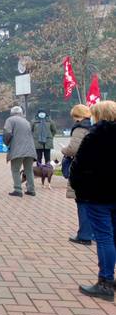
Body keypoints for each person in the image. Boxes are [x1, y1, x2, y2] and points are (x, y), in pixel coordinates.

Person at [70, 101, 116, 301]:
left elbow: (78, 168)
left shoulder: (94, 137)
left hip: (97, 196)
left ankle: (105, 282)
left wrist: (80, 189)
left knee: (105, 238)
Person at [61, 104, 93, 245]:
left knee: (83, 202)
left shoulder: (80, 128)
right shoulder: (94, 125)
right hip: (96, 170)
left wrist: (64, 151)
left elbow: (74, 149)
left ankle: (84, 234)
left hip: (83, 170)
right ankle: (93, 233)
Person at [3, 106, 37, 197]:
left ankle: (17, 189)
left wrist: (6, 142)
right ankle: (31, 189)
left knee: (15, 169)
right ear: (21, 113)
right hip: (30, 150)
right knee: (29, 170)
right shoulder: (26, 121)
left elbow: (7, 132)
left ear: (12, 112)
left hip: (18, 149)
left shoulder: (10, 120)